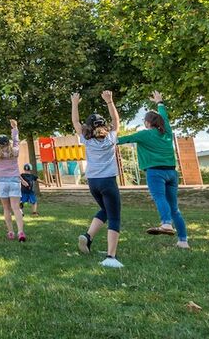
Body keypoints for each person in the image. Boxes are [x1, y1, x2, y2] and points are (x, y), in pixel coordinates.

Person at [118, 91, 189, 249]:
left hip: (155, 172)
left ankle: (166, 224)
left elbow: (121, 140)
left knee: (159, 198)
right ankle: (183, 241)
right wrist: (159, 102)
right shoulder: (167, 132)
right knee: (174, 208)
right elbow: (164, 116)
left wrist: (102, 138)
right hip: (171, 173)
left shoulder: (145, 134)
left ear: (147, 122)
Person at [72, 91, 124, 268]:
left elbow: (75, 122)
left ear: (89, 127)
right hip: (108, 181)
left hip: (93, 182)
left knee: (105, 210)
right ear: (103, 125)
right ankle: (111, 257)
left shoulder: (86, 140)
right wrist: (109, 101)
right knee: (115, 216)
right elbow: (116, 121)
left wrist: (75, 103)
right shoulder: (110, 138)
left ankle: (87, 238)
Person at [0, 119, 26, 242]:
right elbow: (17, 142)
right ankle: (21, 232)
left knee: (6, 209)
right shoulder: (15, 152)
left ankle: (11, 232)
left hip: (1, 183)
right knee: (16, 208)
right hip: (14, 182)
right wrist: (14, 128)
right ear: (8, 143)